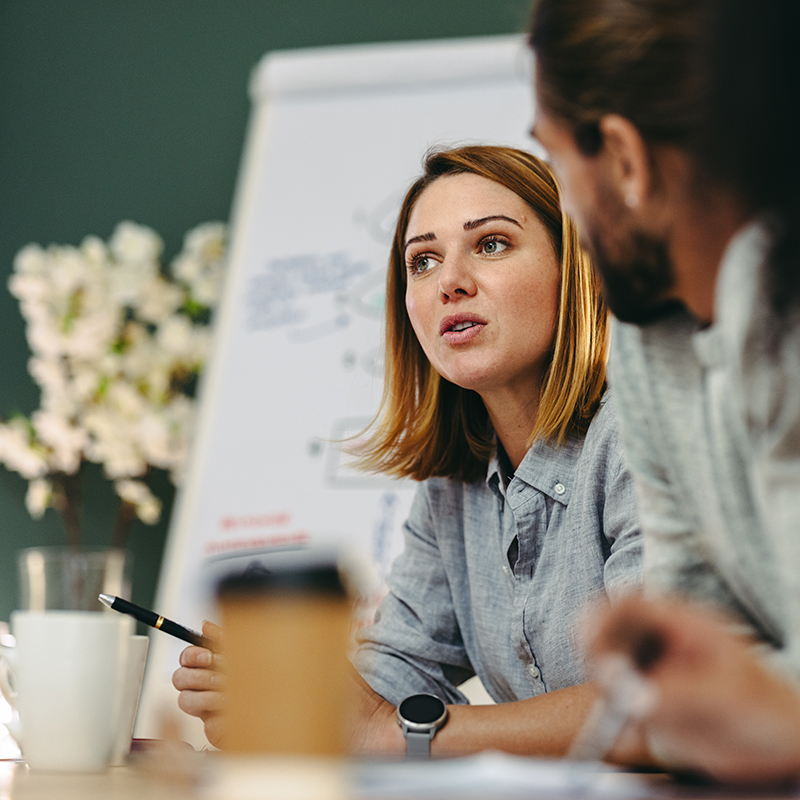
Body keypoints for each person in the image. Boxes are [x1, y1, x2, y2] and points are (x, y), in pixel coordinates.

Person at [172, 145, 642, 757]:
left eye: (492, 244)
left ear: (574, 268)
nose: (450, 282)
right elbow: (396, 676)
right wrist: (288, 708)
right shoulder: (457, 484)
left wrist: (387, 732)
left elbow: (665, 703)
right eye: (422, 261)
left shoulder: (643, 439)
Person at [529, 0, 800, 784]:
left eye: (556, 165)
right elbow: (693, 692)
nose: (569, 217)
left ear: (623, 158)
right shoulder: (647, 343)